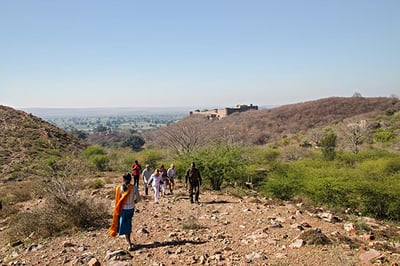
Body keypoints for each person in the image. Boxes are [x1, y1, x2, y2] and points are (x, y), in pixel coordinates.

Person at [109, 173, 140, 251]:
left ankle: (129, 243)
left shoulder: (119, 188)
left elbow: (118, 200)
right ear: (130, 179)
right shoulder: (134, 187)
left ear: (123, 179)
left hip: (123, 209)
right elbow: (139, 199)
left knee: (125, 224)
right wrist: (134, 202)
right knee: (128, 223)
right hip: (131, 209)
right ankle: (129, 241)